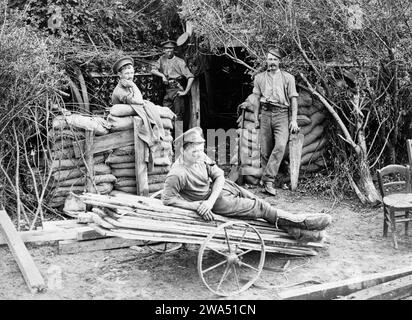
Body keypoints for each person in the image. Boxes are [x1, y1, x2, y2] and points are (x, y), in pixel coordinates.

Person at [162, 127, 332, 241]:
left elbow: (219, 176)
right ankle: (301, 222)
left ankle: (296, 232)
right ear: (183, 150)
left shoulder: (202, 157)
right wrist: (196, 206)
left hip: (220, 190)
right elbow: (167, 200)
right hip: (219, 202)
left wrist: (210, 201)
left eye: (201, 149)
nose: (199, 154)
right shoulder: (177, 173)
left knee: (259, 202)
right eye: (194, 151)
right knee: (260, 207)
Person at [252, 46, 299, 196]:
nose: (272, 62)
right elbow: (256, 100)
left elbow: (293, 99)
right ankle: (268, 183)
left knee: (279, 146)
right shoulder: (259, 78)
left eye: (275, 60)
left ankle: (268, 180)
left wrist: (294, 120)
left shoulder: (288, 78)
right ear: (266, 61)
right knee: (265, 150)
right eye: (269, 59)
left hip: (282, 114)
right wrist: (255, 118)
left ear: (280, 61)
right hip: (265, 113)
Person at [151, 40, 195, 125]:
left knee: (178, 116)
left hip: (177, 89)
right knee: (166, 114)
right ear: (163, 50)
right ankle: (169, 137)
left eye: (171, 48)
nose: (169, 50)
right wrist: (162, 76)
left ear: (174, 49)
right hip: (167, 91)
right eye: (166, 49)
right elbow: (153, 70)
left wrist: (185, 92)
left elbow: (191, 77)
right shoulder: (162, 59)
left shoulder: (180, 61)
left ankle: (178, 138)